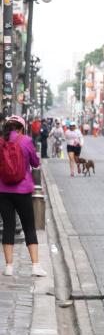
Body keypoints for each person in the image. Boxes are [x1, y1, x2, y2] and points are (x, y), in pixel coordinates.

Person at [0, 116, 45, 277]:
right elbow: (35, 163)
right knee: (29, 227)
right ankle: (35, 266)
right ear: (21, 128)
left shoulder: (1, 141)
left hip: (3, 190)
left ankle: (9, 267)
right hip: (23, 190)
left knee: (8, 226)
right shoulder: (26, 141)